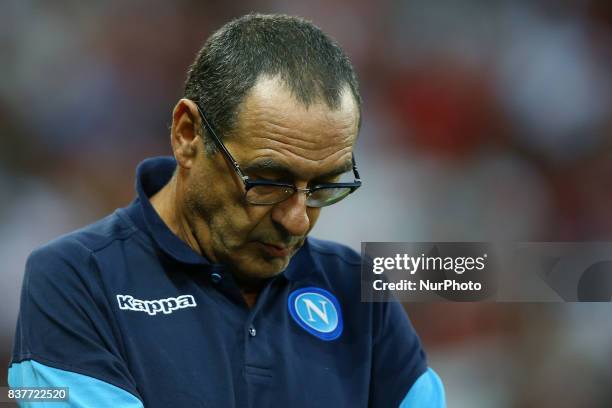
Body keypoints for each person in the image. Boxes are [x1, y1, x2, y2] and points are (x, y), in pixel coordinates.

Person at [8, 13, 445, 407]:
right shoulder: (73, 280)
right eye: (268, 181)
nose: (297, 219)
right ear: (187, 134)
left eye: (324, 186)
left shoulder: (360, 292)